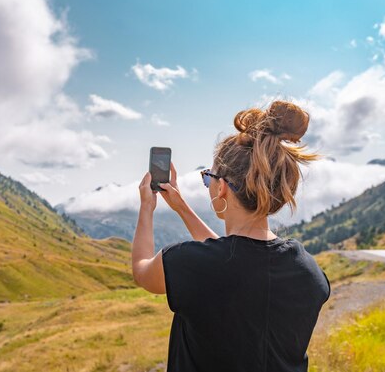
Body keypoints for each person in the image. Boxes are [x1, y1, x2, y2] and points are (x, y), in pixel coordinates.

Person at [131, 100, 331, 372]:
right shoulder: (308, 271)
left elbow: (143, 271)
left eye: (208, 177)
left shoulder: (192, 263)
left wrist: (146, 207)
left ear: (221, 187)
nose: (208, 185)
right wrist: (182, 208)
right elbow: (235, 259)